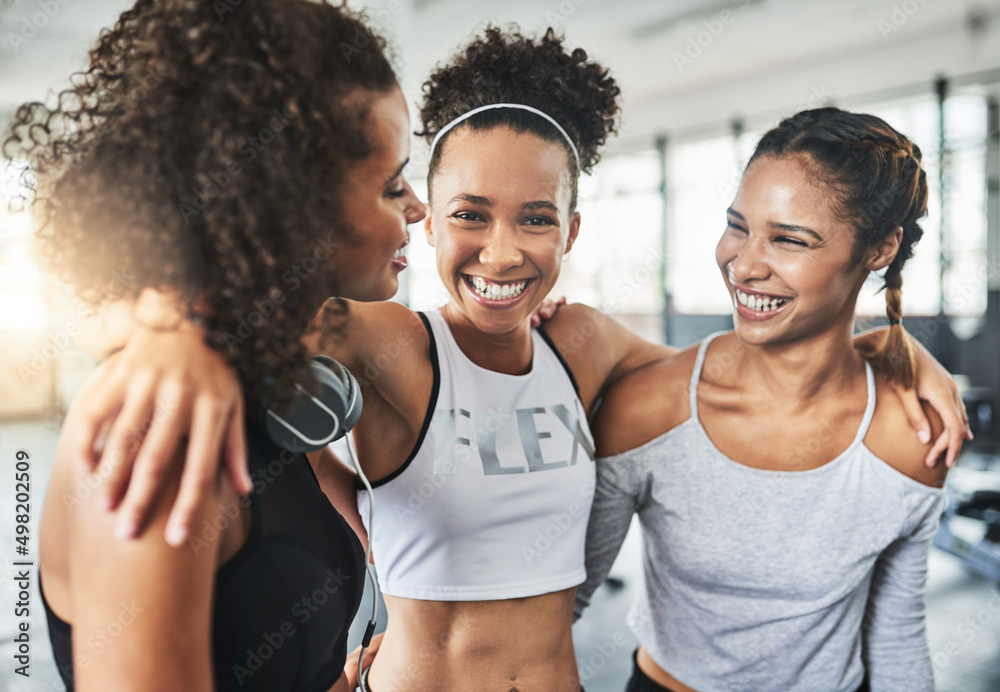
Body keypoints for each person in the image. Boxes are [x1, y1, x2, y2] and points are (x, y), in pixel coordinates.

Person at [62, 28, 969, 692]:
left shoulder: (585, 344)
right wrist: (159, 326)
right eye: (463, 212)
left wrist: (888, 347)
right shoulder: (385, 341)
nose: (500, 253)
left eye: (536, 218)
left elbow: (748, 372)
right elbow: (224, 282)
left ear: (571, 230)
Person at [4, 0, 425, 689]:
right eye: (390, 183)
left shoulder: (257, 379)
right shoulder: (158, 429)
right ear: (292, 204)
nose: (417, 206)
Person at [576, 107, 949, 692]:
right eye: (738, 225)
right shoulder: (649, 410)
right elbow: (556, 605)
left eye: (789, 240)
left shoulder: (911, 437)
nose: (744, 265)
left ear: (880, 249)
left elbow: (896, 638)